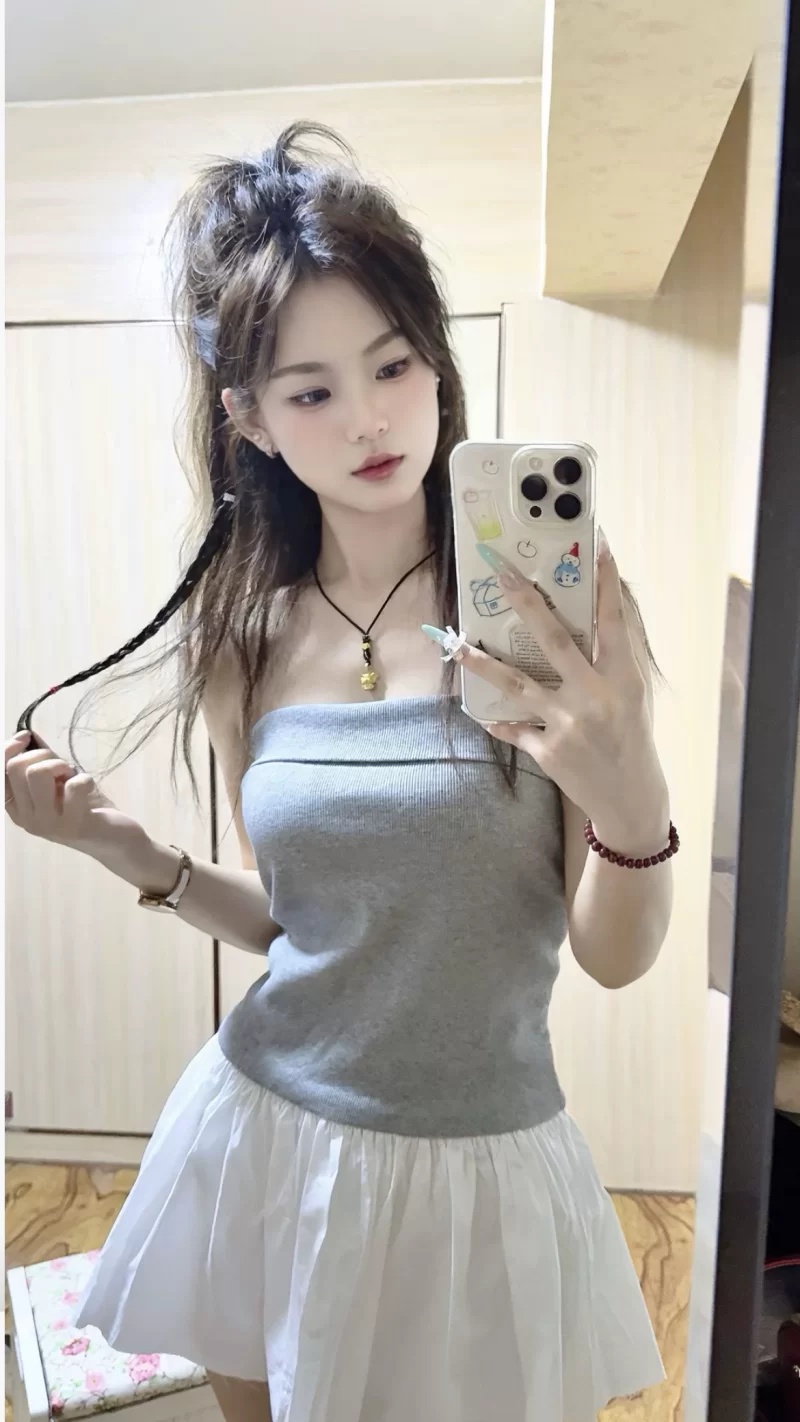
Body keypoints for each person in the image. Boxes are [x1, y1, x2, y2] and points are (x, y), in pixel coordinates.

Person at [5, 122, 678, 1422]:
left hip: (480, 1159)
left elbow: (614, 955)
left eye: (393, 363)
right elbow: (296, 925)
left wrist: (631, 785)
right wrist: (124, 852)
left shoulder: (554, 620)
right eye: (310, 391)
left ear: (436, 363)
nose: (369, 417)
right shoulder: (241, 642)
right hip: (262, 1130)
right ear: (248, 420)